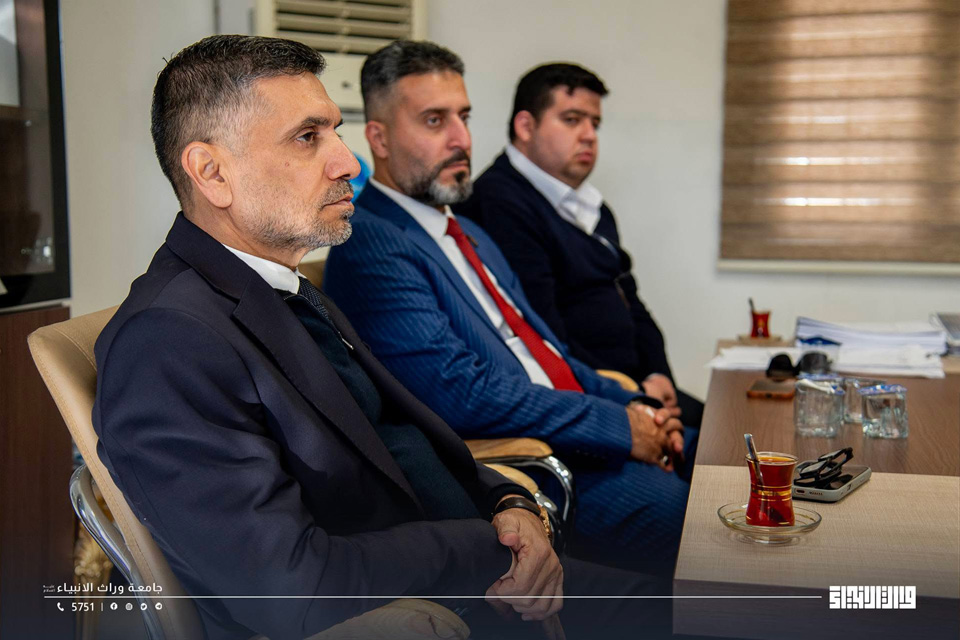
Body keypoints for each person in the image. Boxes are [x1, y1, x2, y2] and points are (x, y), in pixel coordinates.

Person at [92, 35, 665, 640]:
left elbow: (401, 440)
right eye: (307, 137)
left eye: (335, 132)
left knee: (697, 599)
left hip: (475, 571)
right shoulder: (165, 341)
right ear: (212, 173)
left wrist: (511, 505)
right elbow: (288, 589)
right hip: (436, 607)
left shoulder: (280, 285)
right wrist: (484, 547)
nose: (348, 162)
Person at [324, 41, 696, 574]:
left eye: (465, 117)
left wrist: (638, 406)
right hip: (534, 464)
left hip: (578, 429)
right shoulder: (372, 242)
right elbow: (461, 391)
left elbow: (549, 352)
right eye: (434, 120)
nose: (462, 139)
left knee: (721, 458)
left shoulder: (470, 231)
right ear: (378, 139)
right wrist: (619, 426)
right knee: (710, 520)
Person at [458, 63, 704, 428]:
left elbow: (631, 300)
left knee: (729, 426)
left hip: (637, 387)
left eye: (595, 124)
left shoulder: (591, 207)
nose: (589, 135)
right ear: (525, 126)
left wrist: (658, 374)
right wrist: (635, 394)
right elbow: (542, 333)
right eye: (572, 120)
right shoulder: (499, 202)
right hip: (587, 400)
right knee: (722, 444)